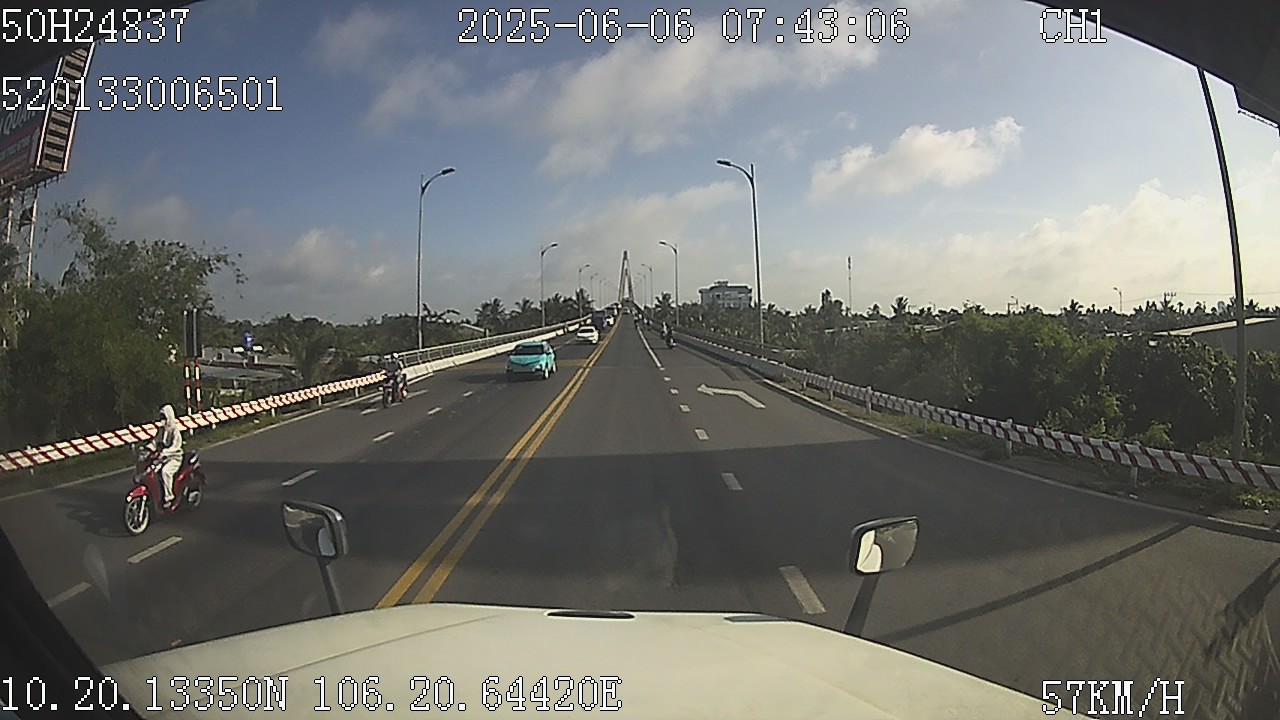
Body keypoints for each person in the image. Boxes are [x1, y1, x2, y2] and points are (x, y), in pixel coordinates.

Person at [150, 404, 183, 510]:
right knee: (152, 471)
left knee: (165, 472)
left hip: (174, 458)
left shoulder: (175, 431)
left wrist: (165, 452)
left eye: (164, 417)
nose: (162, 420)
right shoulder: (161, 430)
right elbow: (155, 442)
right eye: (161, 417)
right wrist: (148, 448)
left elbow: (176, 446)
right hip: (162, 457)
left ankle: (169, 497)